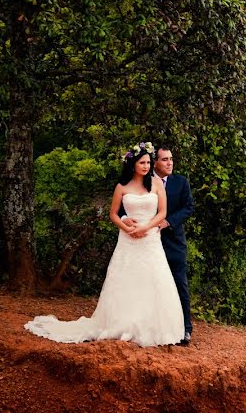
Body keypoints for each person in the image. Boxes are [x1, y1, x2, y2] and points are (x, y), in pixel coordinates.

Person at [24, 142, 185, 347]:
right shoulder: (122, 186)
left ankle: (153, 327)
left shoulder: (156, 184)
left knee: (154, 278)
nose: (146, 166)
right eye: (142, 162)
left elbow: (162, 212)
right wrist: (126, 227)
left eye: (148, 162)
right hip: (128, 239)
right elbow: (113, 214)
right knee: (126, 279)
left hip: (150, 238)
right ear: (133, 164)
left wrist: (147, 228)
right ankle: (122, 323)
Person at [151, 146, 195, 345]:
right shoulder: (144, 182)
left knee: (179, 284)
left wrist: (168, 221)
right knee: (153, 285)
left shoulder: (180, 182)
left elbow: (189, 207)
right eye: (164, 160)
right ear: (155, 163)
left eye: (171, 159)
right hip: (150, 242)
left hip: (174, 241)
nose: (169, 163)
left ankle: (185, 328)